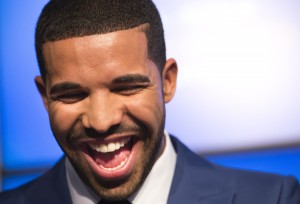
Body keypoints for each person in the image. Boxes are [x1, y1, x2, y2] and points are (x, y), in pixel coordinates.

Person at [0, 0, 299, 203]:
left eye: (126, 87)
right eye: (71, 95)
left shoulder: (274, 198)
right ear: (44, 97)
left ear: (167, 81)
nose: (102, 121)